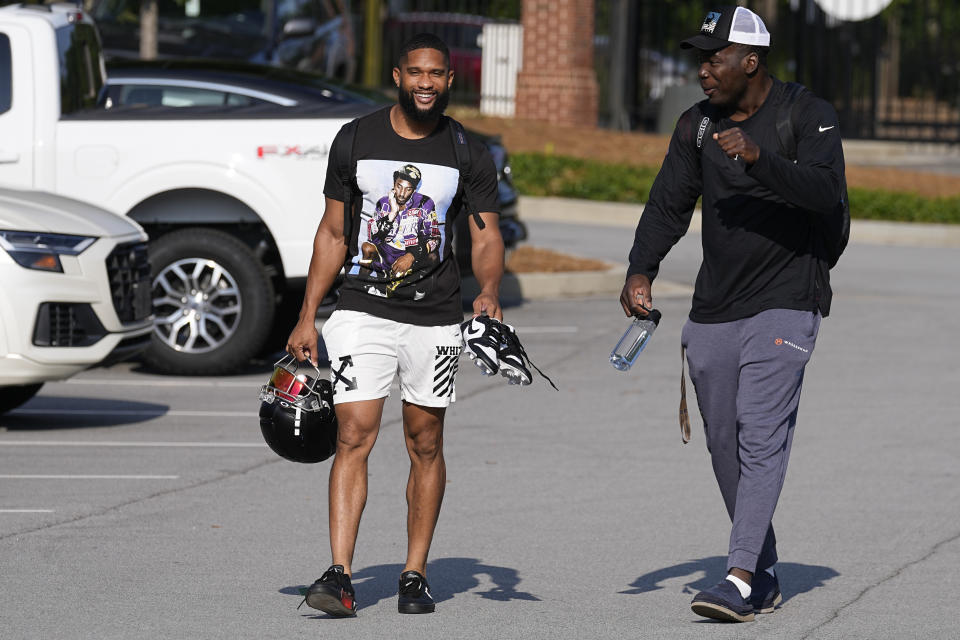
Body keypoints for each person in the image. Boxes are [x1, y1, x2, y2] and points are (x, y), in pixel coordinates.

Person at [619, 6, 845, 623]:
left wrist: (759, 159)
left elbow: (828, 193)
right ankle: (764, 565)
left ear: (750, 61)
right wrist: (641, 268)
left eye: (713, 58)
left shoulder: (807, 115)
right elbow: (669, 202)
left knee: (760, 432)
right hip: (716, 305)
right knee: (724, 441)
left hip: (788, 298)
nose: (702, 70)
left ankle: (739, 576)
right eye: (699, 57)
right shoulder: (696, 126)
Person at [285, 33, 504, 616]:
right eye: (416, 73)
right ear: (397, 75)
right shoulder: (356, 138)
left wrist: (487, 291)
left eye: (436, 74)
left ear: (450, 80)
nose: (426, 83)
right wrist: (308, 315)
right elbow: (332, 233)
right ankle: (339, 574)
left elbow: (484, 233)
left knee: (424, 440)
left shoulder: (467, 151)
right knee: (354, 432)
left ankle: (414, 572)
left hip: (434, 320)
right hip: (360, 308)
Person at [359, 163, 442, 294]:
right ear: (394, 184)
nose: (402, 194)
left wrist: (412, 256)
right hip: (386, 252)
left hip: (413, 253)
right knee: (367, 247)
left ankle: (422, 294)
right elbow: (374, 238)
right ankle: (361, 288)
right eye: (399, 186)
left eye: (408, 189)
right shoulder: (383, 203)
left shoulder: (425, 204)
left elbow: (435, 238)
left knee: (433, 256)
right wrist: (392, 213)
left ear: (414, 189)